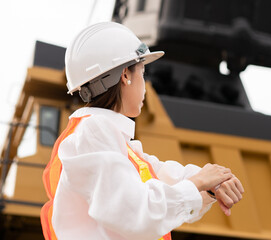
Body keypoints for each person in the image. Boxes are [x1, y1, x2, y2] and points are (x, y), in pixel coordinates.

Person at [41, 22, 244, 240]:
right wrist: (199, 182)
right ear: (125, 75)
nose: (145, 84)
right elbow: (133, 210)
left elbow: (162, 176)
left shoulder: (112, 141)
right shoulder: (95, 131)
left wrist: (210, 183)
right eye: (143, 72)